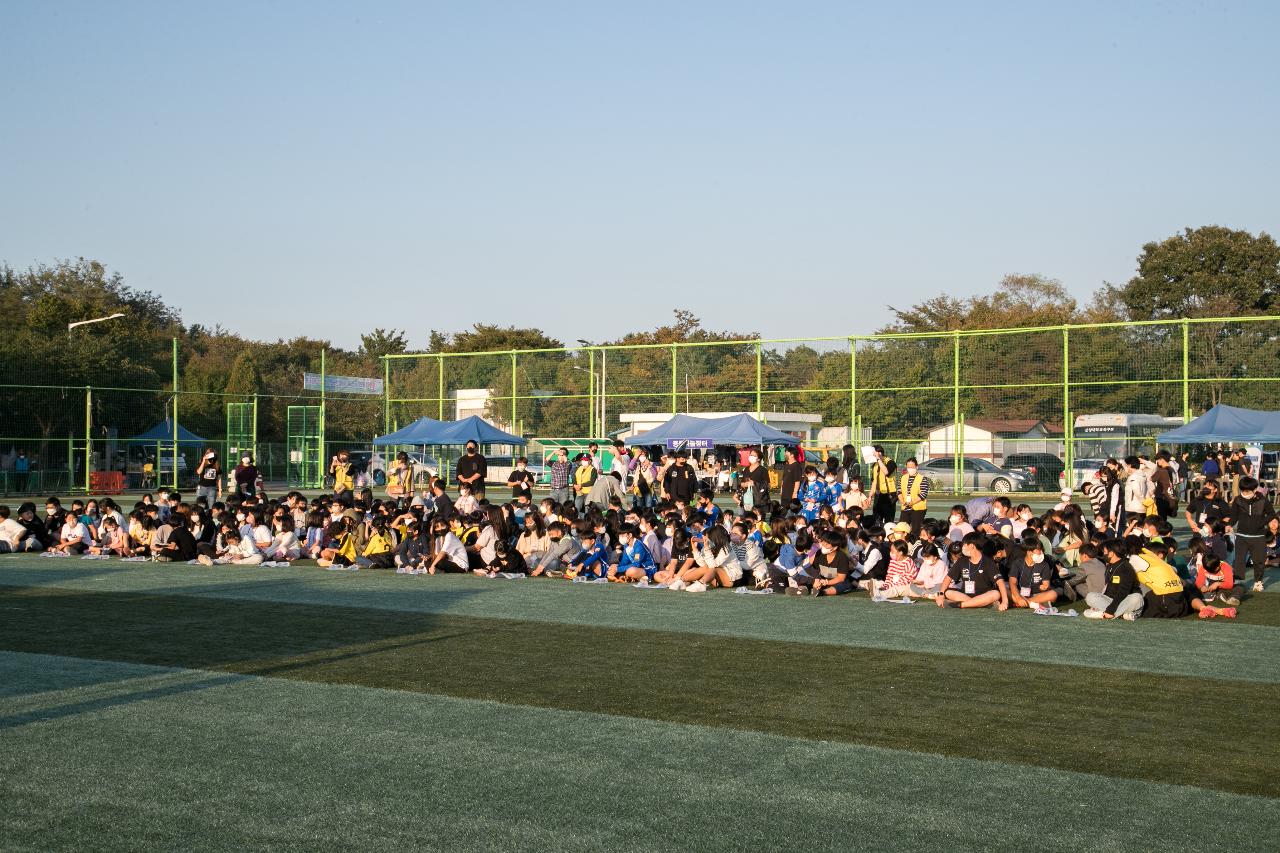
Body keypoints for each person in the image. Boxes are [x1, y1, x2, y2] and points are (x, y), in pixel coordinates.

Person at [1223, 476, 1277, 593]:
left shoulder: (1262, 500)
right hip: (1242, 536)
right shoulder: (1238, 500)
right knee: (1239, 560)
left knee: (1259, 561)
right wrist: (1229, 524)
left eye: (1247, 491)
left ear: (1254, 490)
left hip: (1258, 537)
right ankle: (1237, 582)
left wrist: (1260, 523)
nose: (1244, 493)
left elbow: (1272, 514)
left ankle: (1258, 582)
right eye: (1242, 490)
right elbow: (1234, 516)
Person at [936, 532, 1007, 610]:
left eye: (964, 544)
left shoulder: (988, 561)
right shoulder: (962, 560)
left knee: (995, 594)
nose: (963, 547)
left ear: (972, 546)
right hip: (965, 595)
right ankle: (983, 604)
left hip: (984, 594)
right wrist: (941, 594)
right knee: (948, 592)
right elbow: (948, 578)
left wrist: (1005, 601)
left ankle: (961, 605)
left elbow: (1000, 582)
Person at [1083, 539, 1143, 620]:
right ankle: (1121, 614)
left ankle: (1107, 614)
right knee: (1090, 596)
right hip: (1111, 601)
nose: (1103, 554)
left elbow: (1123, 591)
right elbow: (1107, 589)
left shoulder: (1126, 567)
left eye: (1104, 552)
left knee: (1137, 597)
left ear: (1111, 553)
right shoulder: (1109, 566)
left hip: (1125, 599)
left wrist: (1111, 609)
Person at [1007, 535, 1060, 611]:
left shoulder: (1044, 564)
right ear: (1029, 552)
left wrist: (1045, 586)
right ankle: (1032, 604)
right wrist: (1018, 597)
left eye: (1042, 550)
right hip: (1019, 592)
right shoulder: (1017, 563)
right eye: (1038, 550)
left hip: (1037, 594)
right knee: (1005, 587)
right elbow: (1012, 583)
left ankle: (1022, 603)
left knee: (1053, 594)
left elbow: (1046, 584)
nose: (1041, 552)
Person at [896, 456, 929, 538]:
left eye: (912, 467)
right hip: (905, 507)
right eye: (908, 467)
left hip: (918, 508)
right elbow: (899, 491)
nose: (910, 469)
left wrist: (912, 502)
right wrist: (903, 501)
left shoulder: (922, 478)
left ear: (916, 467)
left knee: (915, 530)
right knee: (901, 528)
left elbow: (923, 494)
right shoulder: (903, 478)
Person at [867, 445, 897, 526]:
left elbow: (886, 472)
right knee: (876, 519)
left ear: (879, 453)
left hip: (889, 495)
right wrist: (870, 496)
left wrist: (878, 459)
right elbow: (874, 482)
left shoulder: (890, 462)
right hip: (878, 494)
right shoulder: (875, 465)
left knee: (889, 521)